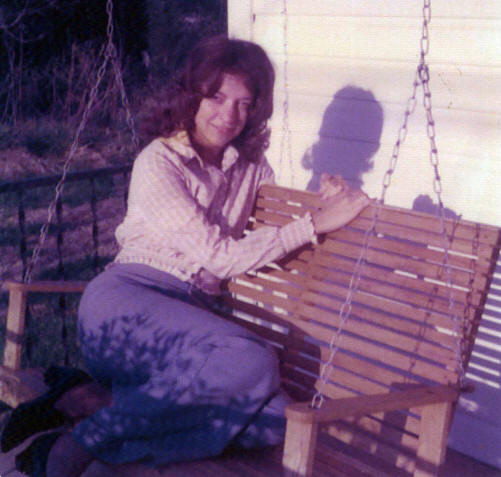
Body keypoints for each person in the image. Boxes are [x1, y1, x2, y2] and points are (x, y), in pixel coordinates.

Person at [5, 35, 370, 477]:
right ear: (192, 95)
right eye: (217, 98)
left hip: (190, 333)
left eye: (243, 103)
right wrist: (315, 223)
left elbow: (267, 234)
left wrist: (323, 198)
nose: (229, 115)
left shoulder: (251, 167)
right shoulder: (158, 162)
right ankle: (75, 447)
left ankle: (94, 401)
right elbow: (221, 257)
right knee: (251, 361)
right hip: (126, 305)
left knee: (276, 420)